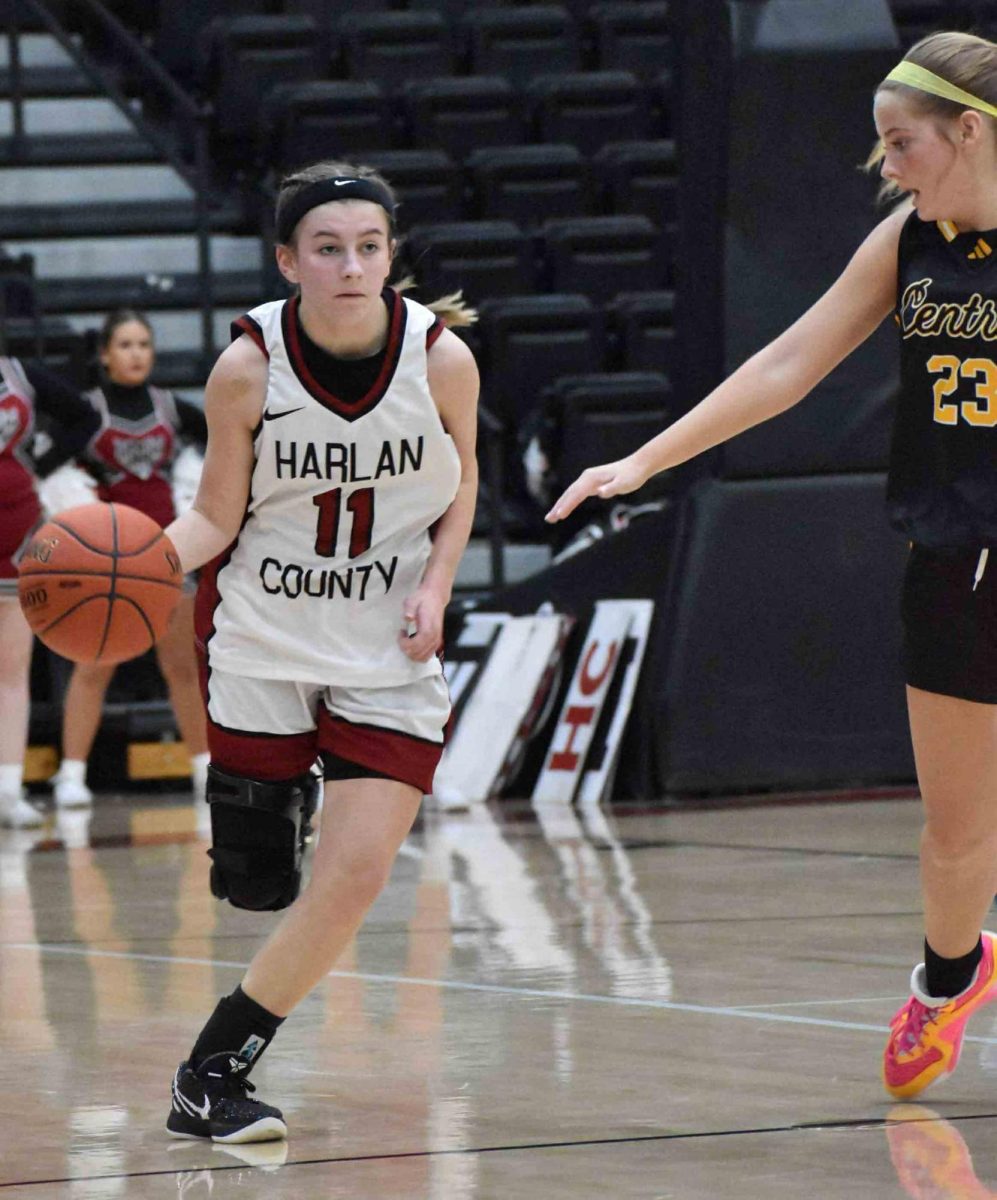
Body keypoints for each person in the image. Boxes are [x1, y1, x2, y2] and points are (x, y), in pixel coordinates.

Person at [547, 30, 997, 1102]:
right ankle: (948, 978)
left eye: (901, 144)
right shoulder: (905, 245)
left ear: (969, 132)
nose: (885, 167)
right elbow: (787, 364)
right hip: (953, 552)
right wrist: (646, 460)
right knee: (954, 832)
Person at [159, 160, 479, 1142]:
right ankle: (275, 811)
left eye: (370, 247)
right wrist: (126, 574)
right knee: (257, 888)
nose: (351, 266)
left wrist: (435, 586)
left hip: (385, 650)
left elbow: (462, 487)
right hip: (263, 641)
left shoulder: (444, 360)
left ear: (392, 256)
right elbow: (215, 517)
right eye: (329, 249)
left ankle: (210, 1073)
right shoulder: (247, 369)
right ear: (288, 261)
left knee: (357, 874)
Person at [50, 310, 210, 809]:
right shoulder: (84, 411)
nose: (136, 353)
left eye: (143, 343)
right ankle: (71, 776)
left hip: (168, 554)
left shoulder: (171, 408)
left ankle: (205, 770)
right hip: (107, 561)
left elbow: (226, 440)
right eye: (124, 344)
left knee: (182, 667)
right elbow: (50, 469)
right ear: (104, 355)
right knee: (94, 664)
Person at [0, 356, 101, 828]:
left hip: (16, 537)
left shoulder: (20, 374)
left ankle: (7, 790)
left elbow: (85, 416)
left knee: (12, 671)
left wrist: (37, 464)